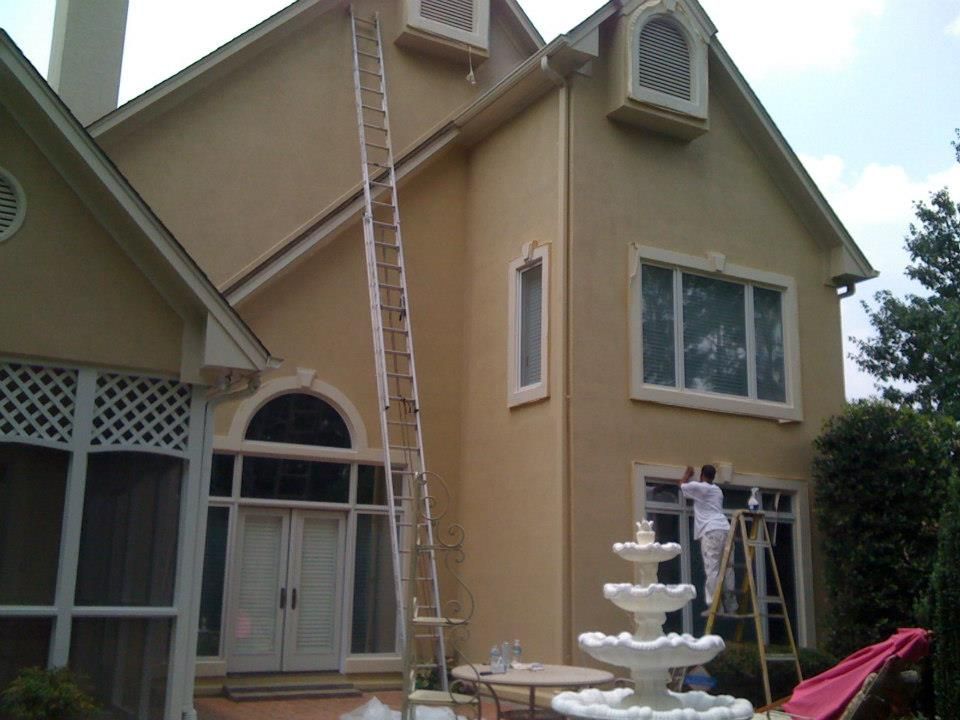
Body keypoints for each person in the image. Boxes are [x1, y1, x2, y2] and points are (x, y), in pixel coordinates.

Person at [680, 464, 737, 614]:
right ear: (713, 476)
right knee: (728, 568)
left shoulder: (701, 487)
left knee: (712, 569)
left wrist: (687, 473)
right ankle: (731, 605)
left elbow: (682, 486)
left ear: (702, 475)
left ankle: (715, 606)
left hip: (711, 531)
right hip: (726, 529)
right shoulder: (718, 490)